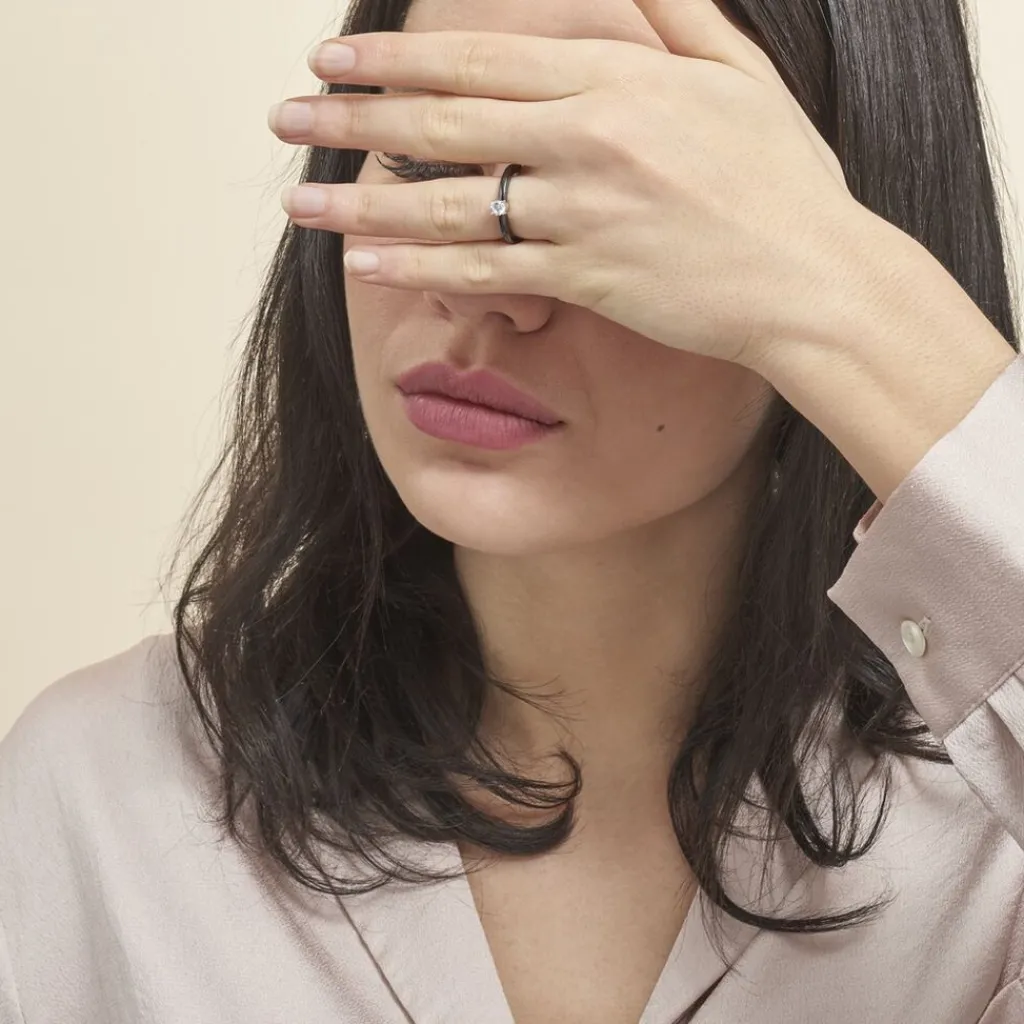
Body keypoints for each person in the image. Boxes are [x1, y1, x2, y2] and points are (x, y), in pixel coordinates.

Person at [2, 0, 1023, 1021]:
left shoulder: (991, 839)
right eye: (423, 156)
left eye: (606, 183)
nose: (480, 287)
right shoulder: (96, 797)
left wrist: (852, 303)